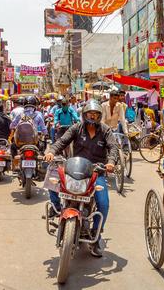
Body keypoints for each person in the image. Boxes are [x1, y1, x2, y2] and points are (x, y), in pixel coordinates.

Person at [44, 100, 119, 257]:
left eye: (96, 114)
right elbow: (62, 141)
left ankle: (96, 235)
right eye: (90, 113)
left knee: (104, 204)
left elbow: (113, 148)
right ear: (84, 115)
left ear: (100, 116)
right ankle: (56, 208)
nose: (93, 116)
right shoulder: (76, 128)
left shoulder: (105, 131)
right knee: (53, 179)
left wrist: (111, 162)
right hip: (75, 170)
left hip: (96, 172)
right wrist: (51, 151)